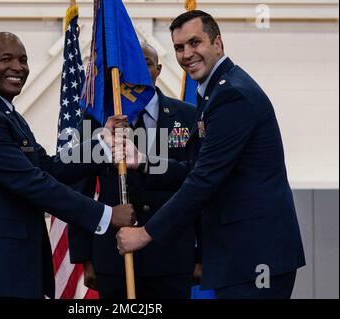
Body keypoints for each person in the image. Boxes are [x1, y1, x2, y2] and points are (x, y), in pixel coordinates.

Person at [116, 10, 305, 299]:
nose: (187, 53)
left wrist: (145, 234)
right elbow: (195, 168)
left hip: (255, 256)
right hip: (241, 256)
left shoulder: (232, 95)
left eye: (195, 42)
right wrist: (142, 162)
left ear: (218, 44)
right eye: (179, 47)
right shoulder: (215, 92)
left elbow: (204, 180)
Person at [0, 32, 135, 299]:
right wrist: (105, 215)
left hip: (11, 264)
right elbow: (32, 182)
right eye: (6, 59)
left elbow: (48, 166)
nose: (18, 67)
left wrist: (103, 144)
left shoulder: (6, 114)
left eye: (23, 60)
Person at [68, 43, 199, 299]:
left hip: (171, 257)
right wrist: (85, 258)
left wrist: (201, 254)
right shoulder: (96, 120)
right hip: (113, 258)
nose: (138, 72)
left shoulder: (187, 115)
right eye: (131, 67)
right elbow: (79, 190)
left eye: (146, 64)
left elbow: (198, 183)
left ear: (158, 69)